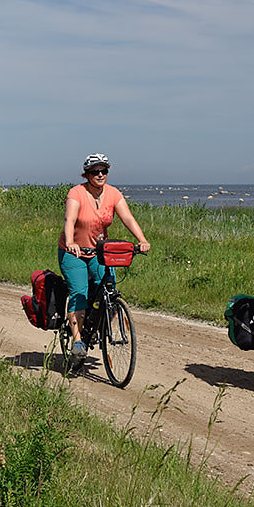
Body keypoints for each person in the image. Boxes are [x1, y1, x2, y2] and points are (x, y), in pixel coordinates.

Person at [58, 153, 150, 358]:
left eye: (104, 171)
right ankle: (78, 340)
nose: (100, 175)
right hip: (73, 253)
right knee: (79, 293)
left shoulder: (113, 194)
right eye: (95, 171)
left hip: (98, 252)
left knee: (109, 288)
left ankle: (97, 321)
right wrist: (71, 242)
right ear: (87, 174)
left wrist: (142, 240)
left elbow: (127, 217)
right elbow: (69, 220)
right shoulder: (76, 193)